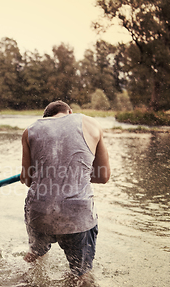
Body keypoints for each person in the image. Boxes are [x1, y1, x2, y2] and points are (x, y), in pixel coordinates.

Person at [20, 100, 110, 277]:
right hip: (77, 215)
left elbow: (28, 180)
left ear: (46, 118)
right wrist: (76, 173)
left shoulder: (30, 131)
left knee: (35, 257)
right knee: (81, 276)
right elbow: (103, 176)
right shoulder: (91, 124)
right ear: (69, 112)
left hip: (39, 213)